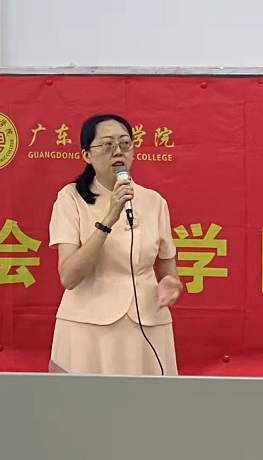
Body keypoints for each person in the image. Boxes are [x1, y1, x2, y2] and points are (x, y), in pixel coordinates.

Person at [48, 114, 183, 376]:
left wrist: (170, 283)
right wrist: (110, 217)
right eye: (108, 145)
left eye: (125, 144)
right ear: (87, 155)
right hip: (87, 325)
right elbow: (69, 276)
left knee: (146, 399)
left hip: (146, 323)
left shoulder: (154, 201)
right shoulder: (70, 198)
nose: (118, 152)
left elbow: (168, 272)